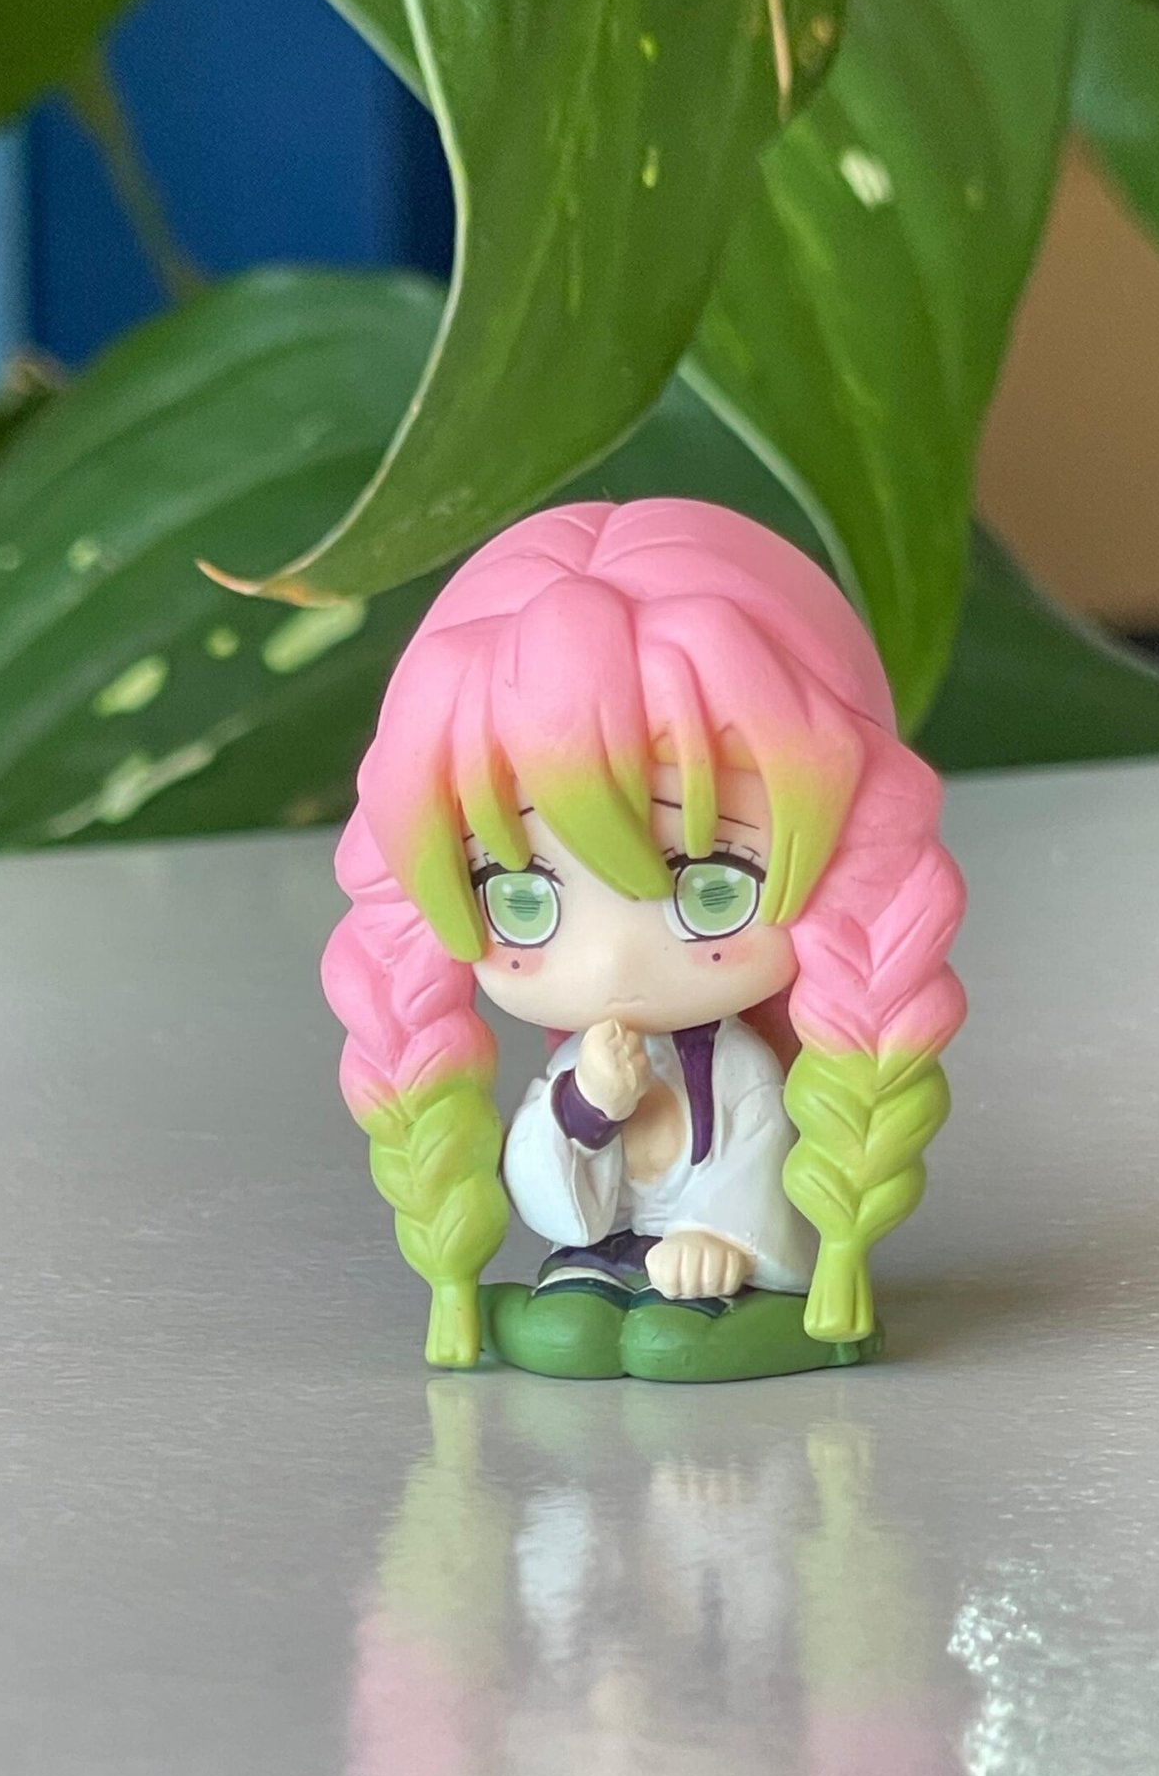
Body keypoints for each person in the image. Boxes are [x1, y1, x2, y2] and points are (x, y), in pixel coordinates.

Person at [323, 498, 966, 1379]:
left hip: (717, 1256)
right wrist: (586, 1108)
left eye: (712, 887)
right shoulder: (579, 1063)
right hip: (605, 1244)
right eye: (521, 900)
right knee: (567, 1326)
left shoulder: (739, 1070)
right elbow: (547, 1179)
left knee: (672, 1336)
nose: (612, 961)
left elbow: (758, 1160)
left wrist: (719, 1240)